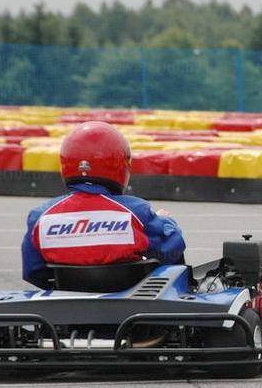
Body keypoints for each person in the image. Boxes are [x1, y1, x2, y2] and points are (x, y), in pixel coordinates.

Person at [21, 121, 186, 287]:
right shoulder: (135, 212)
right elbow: (172, 248)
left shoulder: (40, 217)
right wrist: (166, 222)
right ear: (119, 163)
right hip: (128, 304)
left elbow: (33, 271)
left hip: (67, 305)